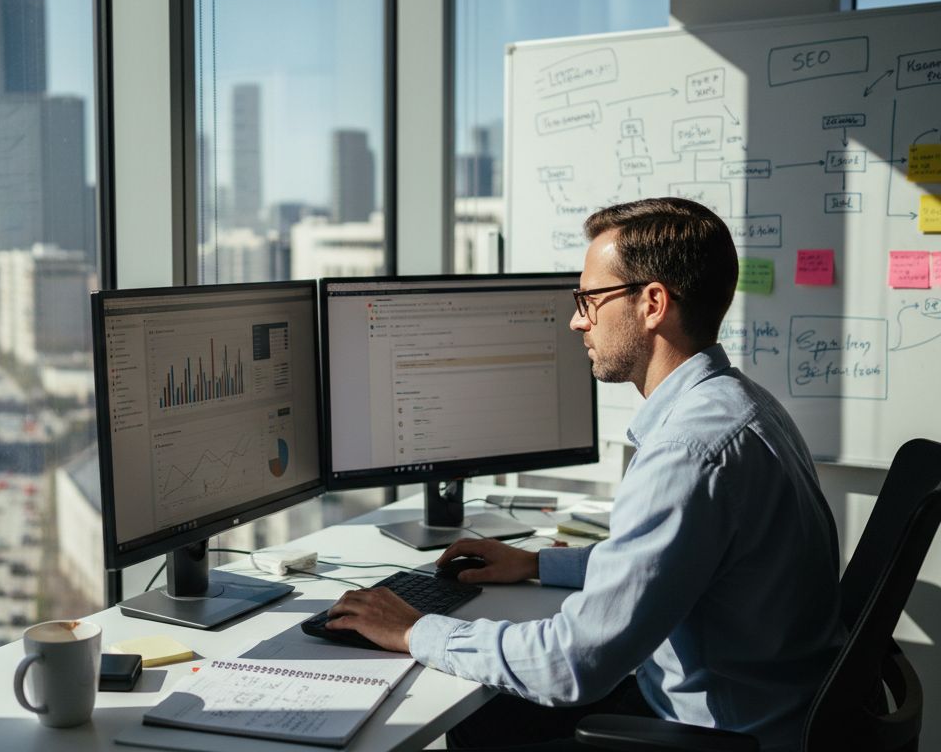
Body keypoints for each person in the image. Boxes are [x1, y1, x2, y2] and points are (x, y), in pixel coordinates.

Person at [325, 197, 845, 751]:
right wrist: (537, 563)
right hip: (764, 710)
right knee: (490, 718)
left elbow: (574, 663)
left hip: (714, 734)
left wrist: (412, 630)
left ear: (651, 304)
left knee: (477, 723)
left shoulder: (688, 452)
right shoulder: (739, 404)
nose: (577, 320)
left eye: (589, 300)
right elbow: (667, 563)